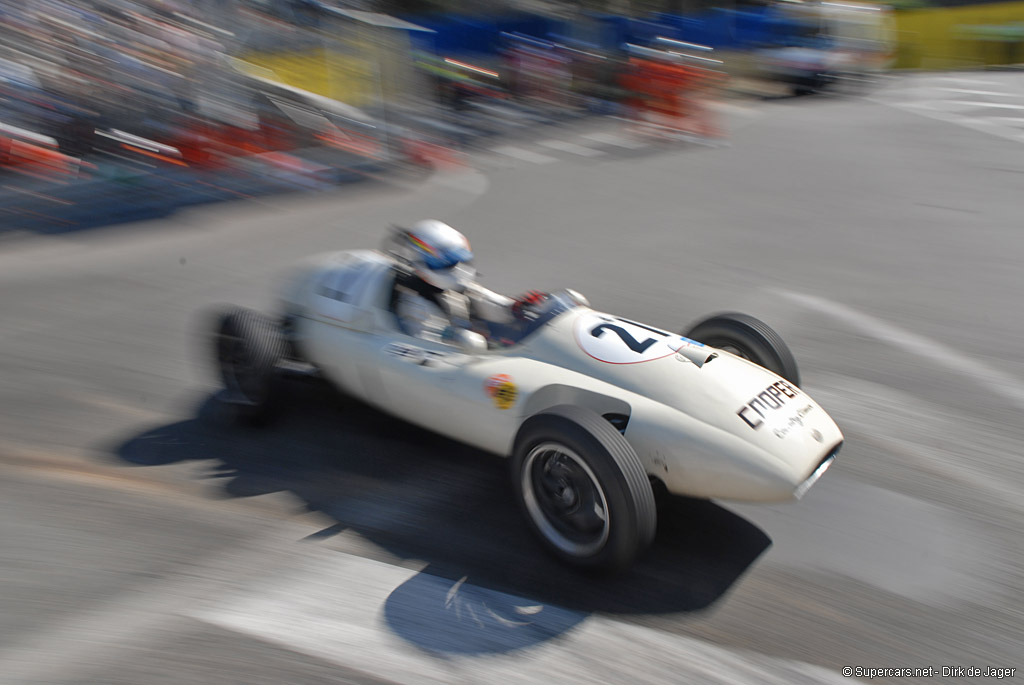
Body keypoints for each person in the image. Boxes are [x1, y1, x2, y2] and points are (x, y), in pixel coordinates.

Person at [384, 220, 547, 345]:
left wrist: (516, 307)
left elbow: (485, 299)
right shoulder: (416, 304)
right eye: (447, 261)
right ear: (420, 261)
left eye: (457, 258)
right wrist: (479, 342)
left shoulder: (456, 286)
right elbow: (431, 343)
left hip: (472, 342)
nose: (458, 268)